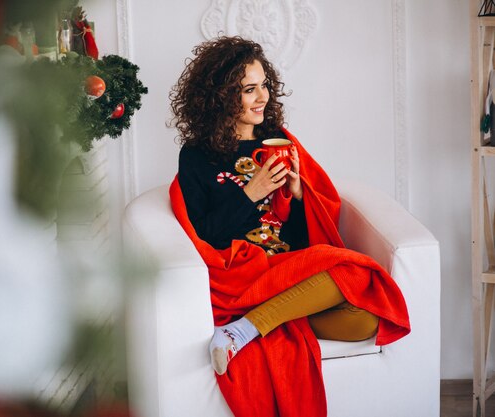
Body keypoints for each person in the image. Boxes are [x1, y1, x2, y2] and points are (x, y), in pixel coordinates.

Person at [168, 36, 409, 416]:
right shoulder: (197, 156)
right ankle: (254, 323)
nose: (262, 96)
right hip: (244, 274)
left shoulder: (276, 140)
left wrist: (298, 196)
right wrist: (251, 192)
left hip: (288, 269)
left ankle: (245, 329)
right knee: (348, 268)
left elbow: (300, 238)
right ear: (219, 96)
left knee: (365, 318)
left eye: (264, 84)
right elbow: (205, 235)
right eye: (249, 89)